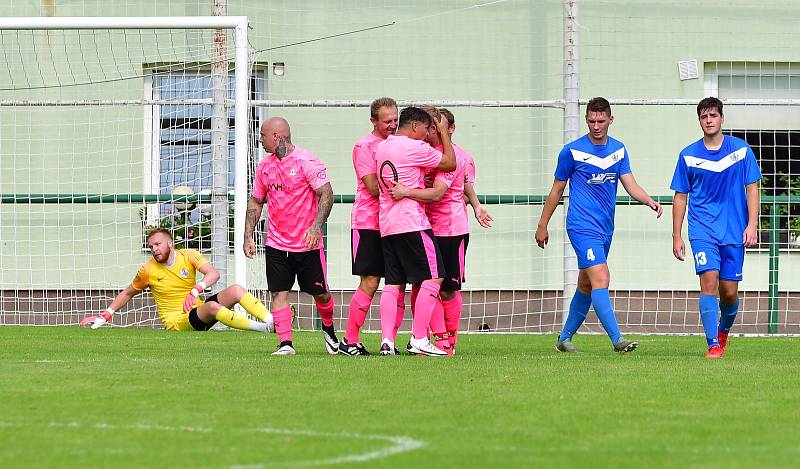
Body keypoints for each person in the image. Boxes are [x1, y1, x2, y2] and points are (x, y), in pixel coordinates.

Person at [535, 97, 662, 353]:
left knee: (586, 283)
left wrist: (648, 200)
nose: (596, 125)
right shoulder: (572, 151)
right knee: (601, 277)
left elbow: (630, 183)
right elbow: (556, 190)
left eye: (601, 120)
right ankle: (617, 339)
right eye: (591, 120)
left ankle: (564, 338)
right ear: (586, 120)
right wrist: (542, 225)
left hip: (605, 228)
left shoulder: (618, 150)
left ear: (610, 120)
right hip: (581, 226)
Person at [390, 106, 492, 355]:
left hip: (450, 229)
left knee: (448, 288)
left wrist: (474, 205)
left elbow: (445, 191)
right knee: (422, 285)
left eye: (436, 126)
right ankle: (429, 337)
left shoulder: (455, 157)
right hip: (423, 226)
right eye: (430, 125)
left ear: (446, 129)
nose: (431, 129)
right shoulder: (421, 152)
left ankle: (449, 340)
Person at [671, 97, 761, 359]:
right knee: (708, 282)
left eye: (712, 115)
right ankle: (712, 344)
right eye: (703, 117)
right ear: (699, 121)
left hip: (734, 229)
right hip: (702, 230)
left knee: (729, 293)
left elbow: (752, 188)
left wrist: (752, 224)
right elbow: (681, 196)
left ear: (722, 118)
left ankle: (723, 331)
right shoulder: (688, 155)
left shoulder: (741, 151)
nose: (708, 120)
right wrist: (677, 235)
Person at [244, 117, 336, 356]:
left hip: (307, 245)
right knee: (278, 292)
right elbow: (256, 201)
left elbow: (326, 195)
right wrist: (248, 236)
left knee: (321, 293)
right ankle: (286, 343)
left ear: (277, 136)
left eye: (263, 135)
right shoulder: (265, 166)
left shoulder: (308, 162)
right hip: (276, 243)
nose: (260, 139)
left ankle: (329, 331)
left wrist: (316, 227)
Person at [80, 228, 274, 334]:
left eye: (157, 244)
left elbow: (213, 274)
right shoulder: (147, 270)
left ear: (170, 243)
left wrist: (197, 289)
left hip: (197, 309)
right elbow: (128, 292)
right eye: (150, 246)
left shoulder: (188, 255)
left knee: (236, 290)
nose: (154, 249)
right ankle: (263, 329)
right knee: (213, 307)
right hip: (177, 321)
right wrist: (105, 315)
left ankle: (272, 322)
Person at [374, 106, 455, 356]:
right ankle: (419, 338)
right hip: (412, 223)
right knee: (434, 277)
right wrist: (443, 133)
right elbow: (450, 163)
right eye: (426, 129)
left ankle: (387, 341)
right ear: (416, 127)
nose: (427, 134)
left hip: (387, 225)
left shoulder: (383, 146)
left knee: (393, 282)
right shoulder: (414, 147)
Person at [339, 97, 405, 356]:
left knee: (397, 283)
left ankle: (389, 342)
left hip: (396, 222)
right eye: (387, 121)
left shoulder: (401, 144)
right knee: (370, 280)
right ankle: (349, 340)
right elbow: (373, 187)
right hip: (368, 223)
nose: (392, 125)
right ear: (373, 120)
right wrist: (410, 190)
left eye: (396, 120)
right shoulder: (364, 146)